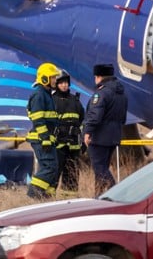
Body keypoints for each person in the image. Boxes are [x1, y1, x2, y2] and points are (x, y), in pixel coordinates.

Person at [83, 64, 128, 197]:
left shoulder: (101, 94)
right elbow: (123, 118)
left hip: (99, 137)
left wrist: (88, 132)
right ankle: (100, 197)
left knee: (100, 169)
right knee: (102, 169)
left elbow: (95, 116)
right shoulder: (121, 94)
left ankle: (117, 193)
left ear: (99, 77)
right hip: (114, 136)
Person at [26, 62, 60, 199]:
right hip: (41, 139)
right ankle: (33, 193)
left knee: (54, 167)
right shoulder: (39, 94)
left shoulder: (47, 94)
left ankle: (47, 197)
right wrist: (45, 138)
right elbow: (38, 119)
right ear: (44, 78)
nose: (55, 80)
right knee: (49, 167)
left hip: (47, 139)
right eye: (52, 77)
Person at [52, 70, 85, 193]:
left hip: (74, 146)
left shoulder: (75, 101)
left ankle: (70, 201)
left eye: (66, 82)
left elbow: (82, 120)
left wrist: (82, 141)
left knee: (72, 176)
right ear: (57, 84)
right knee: (55, 174)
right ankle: (48, 200)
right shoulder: (52, 100)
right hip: (58, 145)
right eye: (61, 83)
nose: (64, 85)